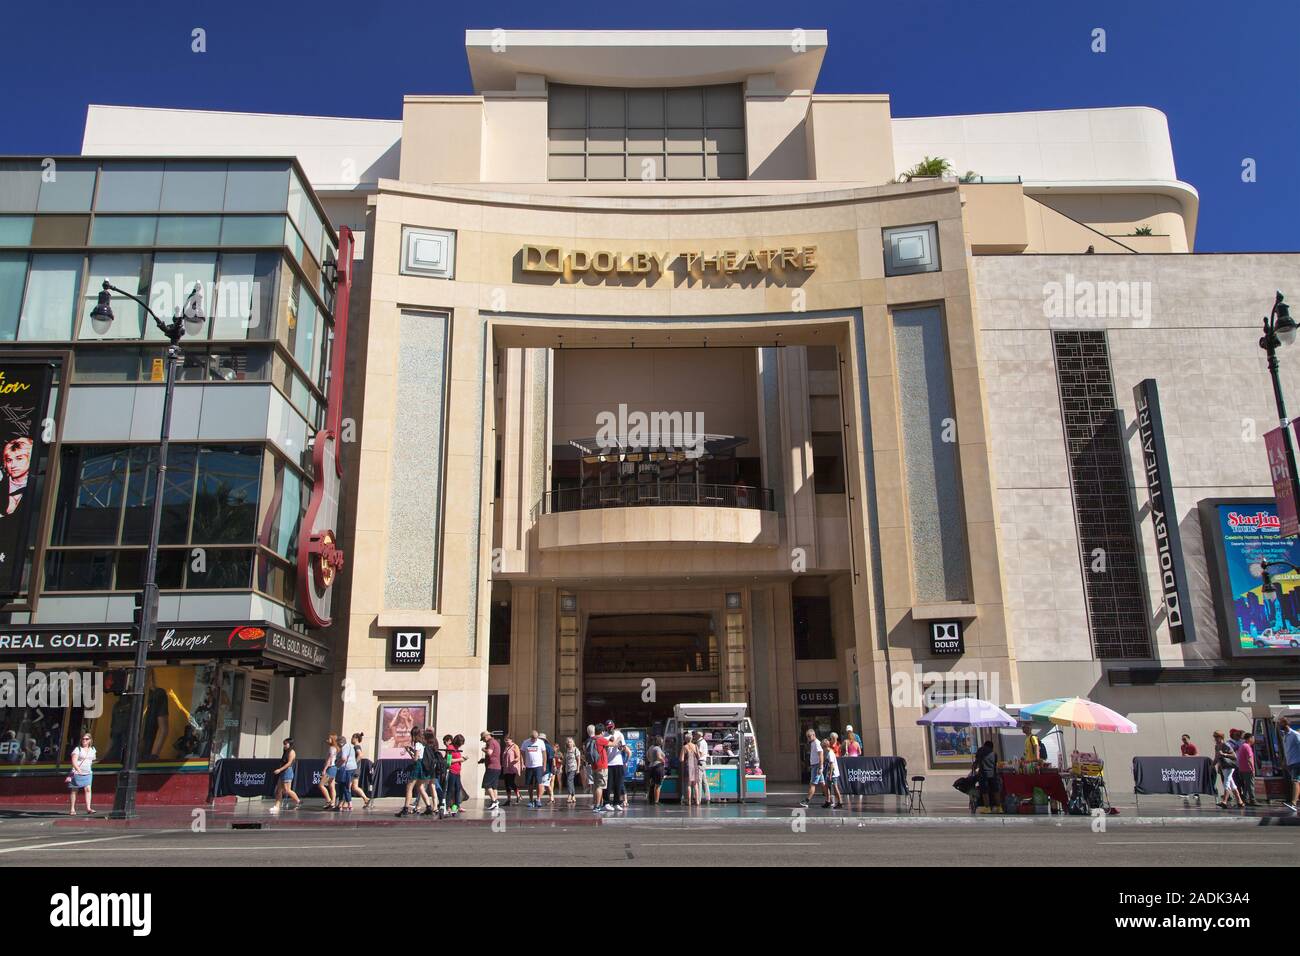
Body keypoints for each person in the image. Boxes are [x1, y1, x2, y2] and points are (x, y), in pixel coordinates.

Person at [395, 727, 431, 817]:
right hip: (422, 765)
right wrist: (411, 750)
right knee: (420, 787)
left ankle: (405, 808)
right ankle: (429, 807)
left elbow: (415, 758)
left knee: (409, 787)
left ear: (413, 735)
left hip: (417, 766)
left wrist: (409, 752)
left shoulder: (418, 744)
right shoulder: (423, 743)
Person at [1212, 731, 1243, 809]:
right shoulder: (1216, 746)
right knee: (1232, 784)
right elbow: (1216, 757)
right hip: (1223, 766)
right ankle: (1240, 801)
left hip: (1229, 766)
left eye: (1216, 737)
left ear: (1221, 737)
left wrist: (1224, 754)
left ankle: (1224, 801)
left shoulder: (1226, 745)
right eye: (1214, 737)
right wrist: (1212, 765)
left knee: (1227, 782)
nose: (1215, 738)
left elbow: (1234, 756)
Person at [67, 732, 96, 815]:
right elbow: (74, 761)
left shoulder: (93, 749)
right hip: (77, 773)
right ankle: (72, 809)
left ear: (90, 740)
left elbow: (92, 760)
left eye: (86, 739)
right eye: (83, 739)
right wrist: (78, 769)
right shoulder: (78, 749)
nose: (84, 740)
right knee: (74, 790)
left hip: (88, 773)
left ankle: (88, 808)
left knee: (88, 789)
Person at [269, 737, 300, 813]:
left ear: (290, 744)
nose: (284, 745)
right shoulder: (285, 751)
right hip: (283, 772)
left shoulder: (292, 752)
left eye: (286, 744)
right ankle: (277, 806)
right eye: (284, 744)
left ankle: (298, 802)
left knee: (287, 790)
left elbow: (289, 763)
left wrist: (279, 770)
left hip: (287, 772)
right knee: (278, 790)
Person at [1278, 716, 1300, 812]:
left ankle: (1294, 803)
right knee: (1296, 782)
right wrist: (1284, 761)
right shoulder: (1285, 736)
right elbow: (1287, 750)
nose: (1279, 725)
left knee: (1295, 781)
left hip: (1297, 761)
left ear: (1286, 724)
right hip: (1290, 762)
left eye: (1281, 723)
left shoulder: (1295, 735)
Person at [585, 725, 609, 812]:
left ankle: (596, 804)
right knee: (600, 786)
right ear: (602, 732)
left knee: (595, 786)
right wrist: (618, 738)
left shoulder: (591, 739)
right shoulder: (600, 739)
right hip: (601, 766)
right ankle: (597, 806)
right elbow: (612, 744)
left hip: (594, 765)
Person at [522, 730, 547, 809]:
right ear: (530, 737)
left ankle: (538, 799)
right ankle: (530, 800)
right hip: (529, 766)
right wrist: (522, 763)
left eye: (536, 738)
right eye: (533, 738)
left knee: (539, 783)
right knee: (530, 784)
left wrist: (544, 765)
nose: (534, 740)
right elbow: (522, 753)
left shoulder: (540, 742)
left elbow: (544, 754)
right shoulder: (525, 742)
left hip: (538, 766)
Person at [799, 728, 824, 808]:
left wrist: (820, 767)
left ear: (814, 735)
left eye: (809, 736)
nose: (808, 738)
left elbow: (821, 755)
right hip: (815, 765)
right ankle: (829, 799)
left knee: (812, 784)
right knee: (823, 783)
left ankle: (807, 800)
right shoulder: (813, 743)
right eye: (807, 736)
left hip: (817, 766)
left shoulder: (817, 743)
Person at [606, 722, 628, 811]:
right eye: (608, 727)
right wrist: (611, 742)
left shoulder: (619, 734)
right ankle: (607, 802)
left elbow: (623, 747)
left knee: (618, 784)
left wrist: (619, 747)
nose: (610, 729)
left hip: (618, 762)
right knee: (608, 785)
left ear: (614, 727)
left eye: (611, 727)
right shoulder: (604, 735)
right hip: (608, 763)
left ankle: (616, 803)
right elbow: (604, 748)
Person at [973, 737, 998, 810]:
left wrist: (974, 769)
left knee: (984, 791)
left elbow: (977, 762)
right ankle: (999, 807)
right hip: (993, 774)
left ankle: (987, 808)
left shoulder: (981, 750)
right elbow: (995, 765)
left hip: (983, 774)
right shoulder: (994, 753)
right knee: (995, 790)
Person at [349, 732, 373, 808]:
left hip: (354, 769)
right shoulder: (356, 747)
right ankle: (366, 799)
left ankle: (346, 803)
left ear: (356, 739)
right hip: (356, 770)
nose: (351, 739)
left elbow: (360, 755)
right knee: (354, 787)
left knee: (348, 786)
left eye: (352, 737)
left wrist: (354, 763)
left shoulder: (356, 747)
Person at [479, 731, 501, 811]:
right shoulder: (496, 742)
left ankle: (494, 801)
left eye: (483, 739)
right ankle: (496, 802)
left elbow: (489, 752)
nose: (484, 741)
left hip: (492, 767)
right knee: (494, 786)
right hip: (497, 767)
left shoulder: (490, 742)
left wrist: (483, 749)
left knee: (486, 784)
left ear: (486, 737)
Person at [445, 734, 465, 815]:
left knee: (458, 788)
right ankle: (448, 806)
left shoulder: (457, 748)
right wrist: (460, 759)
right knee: (450, 789)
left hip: (457, 772)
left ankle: (456, 805)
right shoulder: (450, 748)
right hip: (452, 771)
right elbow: (448, 760)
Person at [336, 732, 357, 811]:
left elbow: (344, 758)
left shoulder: (344, 747)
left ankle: (350, 804)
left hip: (346, 769)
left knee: (345, 786)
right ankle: (340, 804)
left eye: (338, 743)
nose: (337, 745)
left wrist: (337, 764)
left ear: (341, 743)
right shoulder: (351, 746)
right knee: (343, 785)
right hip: (352, 767)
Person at [680, 733, 701, 806]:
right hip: (695, 766)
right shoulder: (695, 746)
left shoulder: (684, 747)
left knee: (688, 784)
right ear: (691, 739)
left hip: (688, 766)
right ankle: (697, 801)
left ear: (686, 739)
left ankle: (689, 801)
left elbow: (681, 759)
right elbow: (699, 756)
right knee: (695, 784)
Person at [1237, 732, 1258, 808]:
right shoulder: (1247, 747)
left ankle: (1245, 799)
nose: (1254, 740)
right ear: (1250, 739)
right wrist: (1253, 769)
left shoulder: (1242, 746)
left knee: (1246, 785)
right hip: (1248, 769)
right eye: (1253, 738)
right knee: (1250, 784)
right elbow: (1249, 759)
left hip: (1242, 768)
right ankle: (1253, 800)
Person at [645, 736, 667, 805]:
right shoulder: (657, 748)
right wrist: (663, 761)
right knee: (658, 785)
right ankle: (656, 801)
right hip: (658, 767)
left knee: (652, 784)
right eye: (662, 741)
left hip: (651, 766)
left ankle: (651, 799)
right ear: (659, 741)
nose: (663, 742)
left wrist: (651, 760)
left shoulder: (651, 747)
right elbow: (659, 756)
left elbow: (647, 756)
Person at [501, 735, 522, 806]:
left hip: (512, 767)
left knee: (511, 782)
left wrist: (512, 762)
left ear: (511, 740)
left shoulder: (515, 746)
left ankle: (518, 795)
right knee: (507, 784)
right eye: (505, 740)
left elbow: (518, 757)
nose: (506, 742)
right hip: (506, 768)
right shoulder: (506, 747)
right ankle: (509, 799)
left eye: (507, 740)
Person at [822, 738, 843, 809]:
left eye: (822, 747)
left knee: (835, 787)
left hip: (833, 773)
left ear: (825, 746)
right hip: (828, 773)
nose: (822, 749)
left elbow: (831, 765)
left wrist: (830, 775)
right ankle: (828, 801)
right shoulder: (827, 752)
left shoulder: (830, 753)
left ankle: (840, 802)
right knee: (827, 786)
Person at [320, 733, 339, 809]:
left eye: (329, 738)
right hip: (334, 768)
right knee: (332, 786)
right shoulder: (336, 748)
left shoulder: (332, 748)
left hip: (330, 768)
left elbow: (330, 759)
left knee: (321, 785)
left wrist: (324, 769)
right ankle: (333, 802)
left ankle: (329, 800)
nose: (328, 740)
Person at [539, 732, 557, 806]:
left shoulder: (548, 747)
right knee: (546, 785)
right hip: (542, 769)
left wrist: (554, 767)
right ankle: (551, 798)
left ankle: (538, 798)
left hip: (547, 769)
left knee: (544, 784)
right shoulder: (541, 746)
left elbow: (552, 758)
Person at [563, 737, 581, 805]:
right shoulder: (566, 750)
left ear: (573, 742)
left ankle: (569, 795)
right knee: (571, 782)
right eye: (568, 742)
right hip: (567, 768)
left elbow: (578, 760)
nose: (569, 743)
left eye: (570, 742)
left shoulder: (576, 750)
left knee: (569, 781)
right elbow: (564, 760)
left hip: (573, 768)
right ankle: (574, 796)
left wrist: (578, 768)